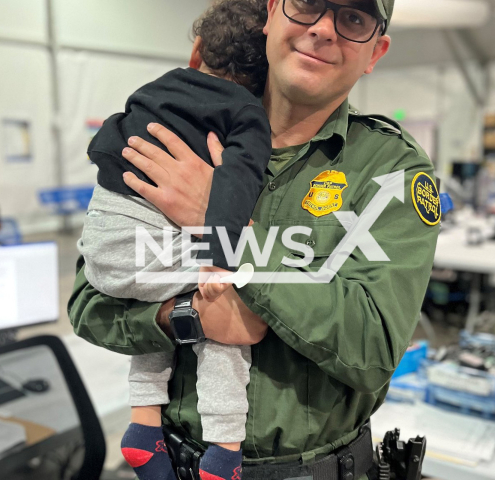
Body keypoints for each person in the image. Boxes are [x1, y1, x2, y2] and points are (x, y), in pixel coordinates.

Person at [70, 1, 440, 479]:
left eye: (353, 18)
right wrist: (188, 318)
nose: (324, 29)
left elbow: (373, 348)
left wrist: (219, 224)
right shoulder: (180, 131)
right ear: (272, 15)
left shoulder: (390, 169)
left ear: (375, 51)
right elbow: (89, 300)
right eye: (308, 5)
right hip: (173, 462)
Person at [78, 2, 271, 479]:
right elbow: (236, 186)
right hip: (145, 247)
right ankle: (225, 449)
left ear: (197, 51)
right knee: (224, 310)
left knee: (163, 295)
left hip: (101, 247)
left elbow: (105, 140)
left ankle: (144, 424)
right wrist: (219, 261)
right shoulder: (247, 112)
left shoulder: (153, 89)